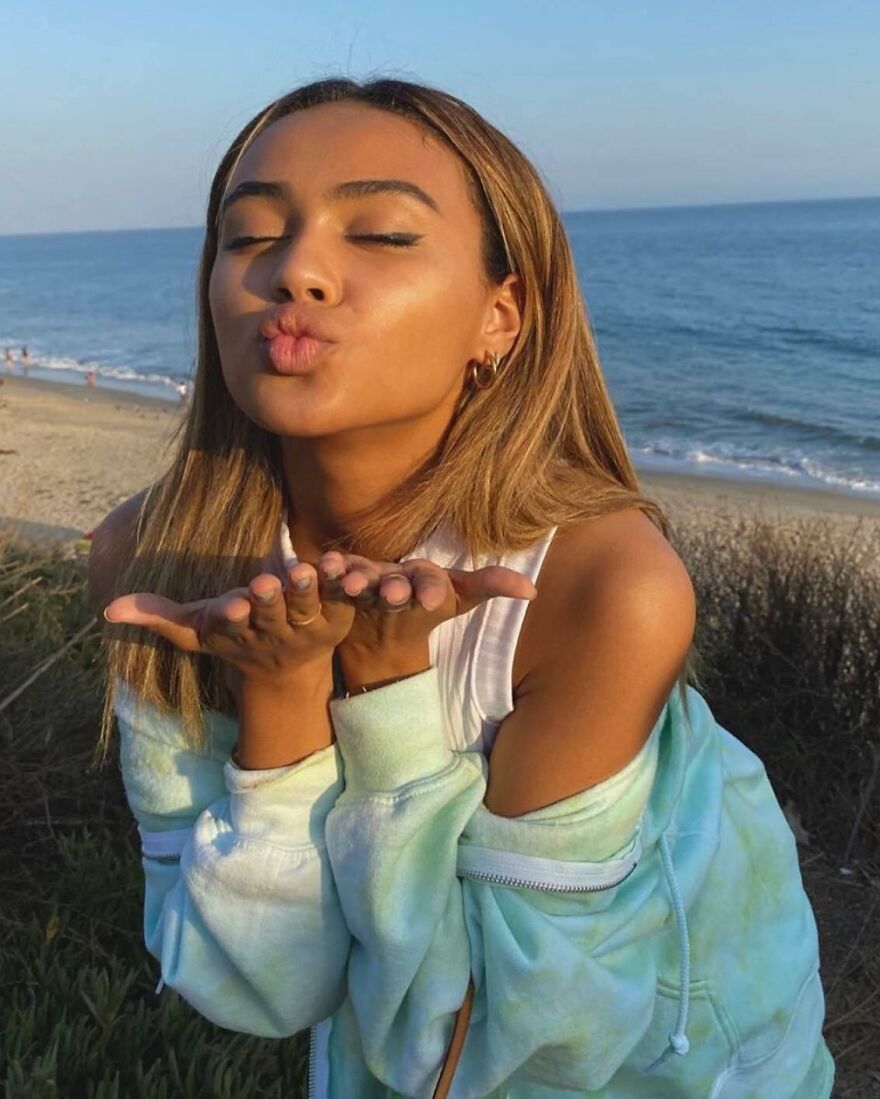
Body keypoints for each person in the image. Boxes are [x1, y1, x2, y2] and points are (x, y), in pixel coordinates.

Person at [87, 77, 834, 1098]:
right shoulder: (160, 562)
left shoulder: (599, 588)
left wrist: (386, 699)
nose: (294, 269)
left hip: (681, 1060)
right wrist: (279, 694)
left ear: (500, 314)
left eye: (382, 235)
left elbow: (516, 1045)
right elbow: (246, 986)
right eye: (250, 233)